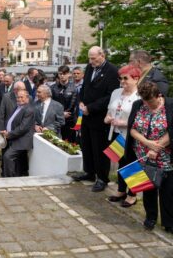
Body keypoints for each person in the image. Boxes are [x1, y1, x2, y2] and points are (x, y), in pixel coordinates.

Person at [125, 81, 172, 232]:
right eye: (145, 101)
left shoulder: (170, 105)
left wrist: (156, 148)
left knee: (168, 190)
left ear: (159, 95)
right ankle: (150, 217)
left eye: (150, 101)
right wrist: (147, 142)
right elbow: (132, 129)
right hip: (142, 155)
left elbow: (172, 131)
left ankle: (169, 222)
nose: (148, 105)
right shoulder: (138, 104)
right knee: (147, 188)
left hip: (165, 156)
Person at [73, 46, 120, 192]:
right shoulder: (89, 67)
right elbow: (85, 87)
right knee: (86, 145)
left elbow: (110, 96)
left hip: (100, 116)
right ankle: (89, 172)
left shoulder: (112, 71)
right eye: (89, 58)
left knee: (99, 148)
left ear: (102, 55)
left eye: (93, 58)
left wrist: (91, 107)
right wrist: (81, 102)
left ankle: (102, 178)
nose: (91, 61)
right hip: (86, 114)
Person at [105, 65, 141, 208]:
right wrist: (108, 118)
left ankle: (133, 195)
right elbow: (110, 109)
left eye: (126, 78)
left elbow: (141, 119)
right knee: (120, 162)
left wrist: (124, 122)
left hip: (131, 135)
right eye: (120, 78)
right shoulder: (116, 92)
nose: (122, 81)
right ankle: (121, 191)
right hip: (116, 133)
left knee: (132, 164)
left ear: (136, 79)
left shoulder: (140, 95)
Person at [0, 89, 35, 177]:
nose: (19, 99)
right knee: (19, 161)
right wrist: (6, 131)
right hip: (13, 137)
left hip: (22, 140)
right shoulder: (17, 107)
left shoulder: (29, 110)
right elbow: (13, 122)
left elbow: (23, 128)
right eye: (18, 97)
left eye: (21, 97)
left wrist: (9, 134)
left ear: (27, 98)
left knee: (8, 157)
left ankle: (9, 179)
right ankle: (17, 175)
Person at [50, 66, 78, 142]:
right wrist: (60, 114)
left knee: (68, 142)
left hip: (69, 120)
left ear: (69, 74)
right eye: (60, 74)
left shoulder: (74, 88)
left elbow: (73, 105)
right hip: (55, 119)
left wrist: (65, 113)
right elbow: (51, 103)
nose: (62, 76)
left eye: (64, 74)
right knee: (55, 142)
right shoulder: (52, 87)